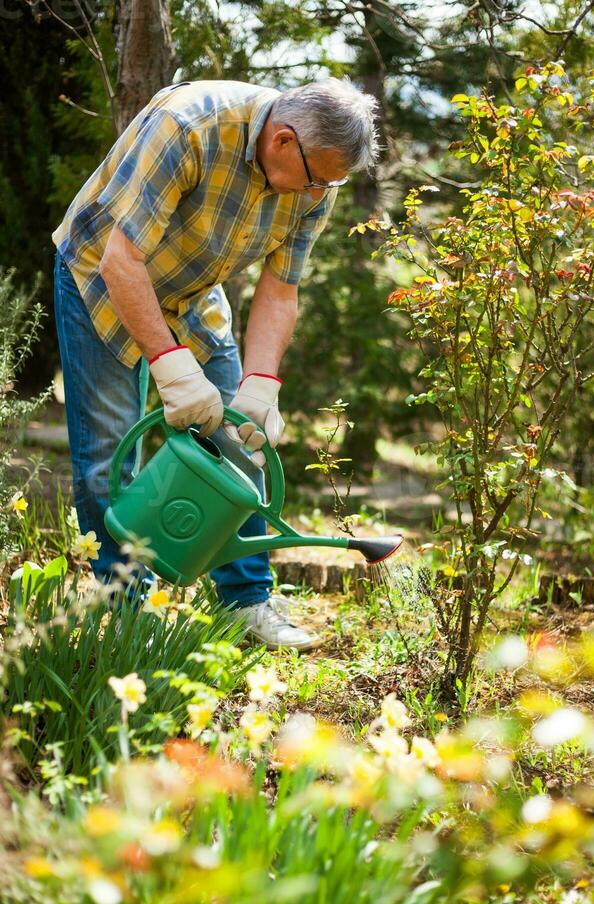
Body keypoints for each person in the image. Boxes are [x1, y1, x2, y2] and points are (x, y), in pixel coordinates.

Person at [51, 76, 379, 651]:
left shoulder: (313, 179)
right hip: (99, 279)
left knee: (242, 448)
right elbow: (121, 262)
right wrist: (173, 371)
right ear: (281, 141)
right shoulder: (188, 126)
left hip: (193, 292)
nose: (318, 193)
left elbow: (280, 290)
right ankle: (130, 613)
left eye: (330, 183)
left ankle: (246, 602)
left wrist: (261, 386)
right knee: (107, 458)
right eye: (316, 179)